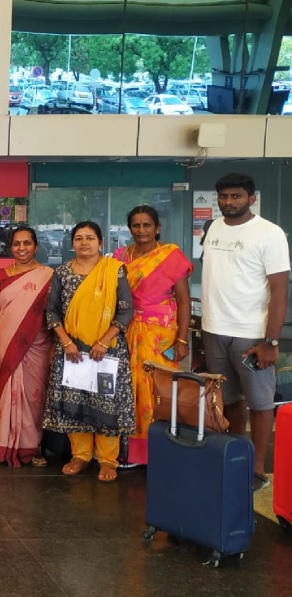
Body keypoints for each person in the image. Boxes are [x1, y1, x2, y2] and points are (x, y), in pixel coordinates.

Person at [200, 173, 290, 492]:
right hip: (213, 329)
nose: (228, 202)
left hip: (252, 334)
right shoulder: (213, 228)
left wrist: (271, 341)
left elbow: (280, 291)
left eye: (236, 196)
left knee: (260, 403)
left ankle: (258, 469)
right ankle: (237, 458)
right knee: (227, 400)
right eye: (223, 196)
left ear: (251, 199)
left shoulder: (270, 233)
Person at [43, 221, 135, 482]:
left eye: (90, 238)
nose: (84, 243)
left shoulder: (114, 270)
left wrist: (104, 341)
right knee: (75, 401)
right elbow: (52, 310)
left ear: (100, 243)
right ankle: (80, 455)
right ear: (72, 243)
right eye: (79, 238)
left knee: (106, 402)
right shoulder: (62, 272)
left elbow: (126, 310)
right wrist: (66, 342)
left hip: (107, 350)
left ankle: (107, 460)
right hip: (72, 350)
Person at [112, 205, 192, 466]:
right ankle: (127, 449)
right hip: (124, 330)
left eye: (147, 225)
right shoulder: (120, 256)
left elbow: (183, 300)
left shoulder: (170, 256)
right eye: (136, 225)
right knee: (125, 389)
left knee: (155, 390)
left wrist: (182, 340)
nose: (141, 230)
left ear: (158, 227)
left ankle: (156, 450)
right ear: (129, 229)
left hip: (159, 334)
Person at [0, 226, 54, 466]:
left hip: (37, 344)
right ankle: (5, 444)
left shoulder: (48, 275)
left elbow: (54, 313)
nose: (22, 248)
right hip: (5, 343)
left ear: (36, 246)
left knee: (35, 397)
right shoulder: (0, 276)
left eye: (27, 243)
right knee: (7, 394)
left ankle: (33, 448)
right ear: (10, 247)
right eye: (17, 244)